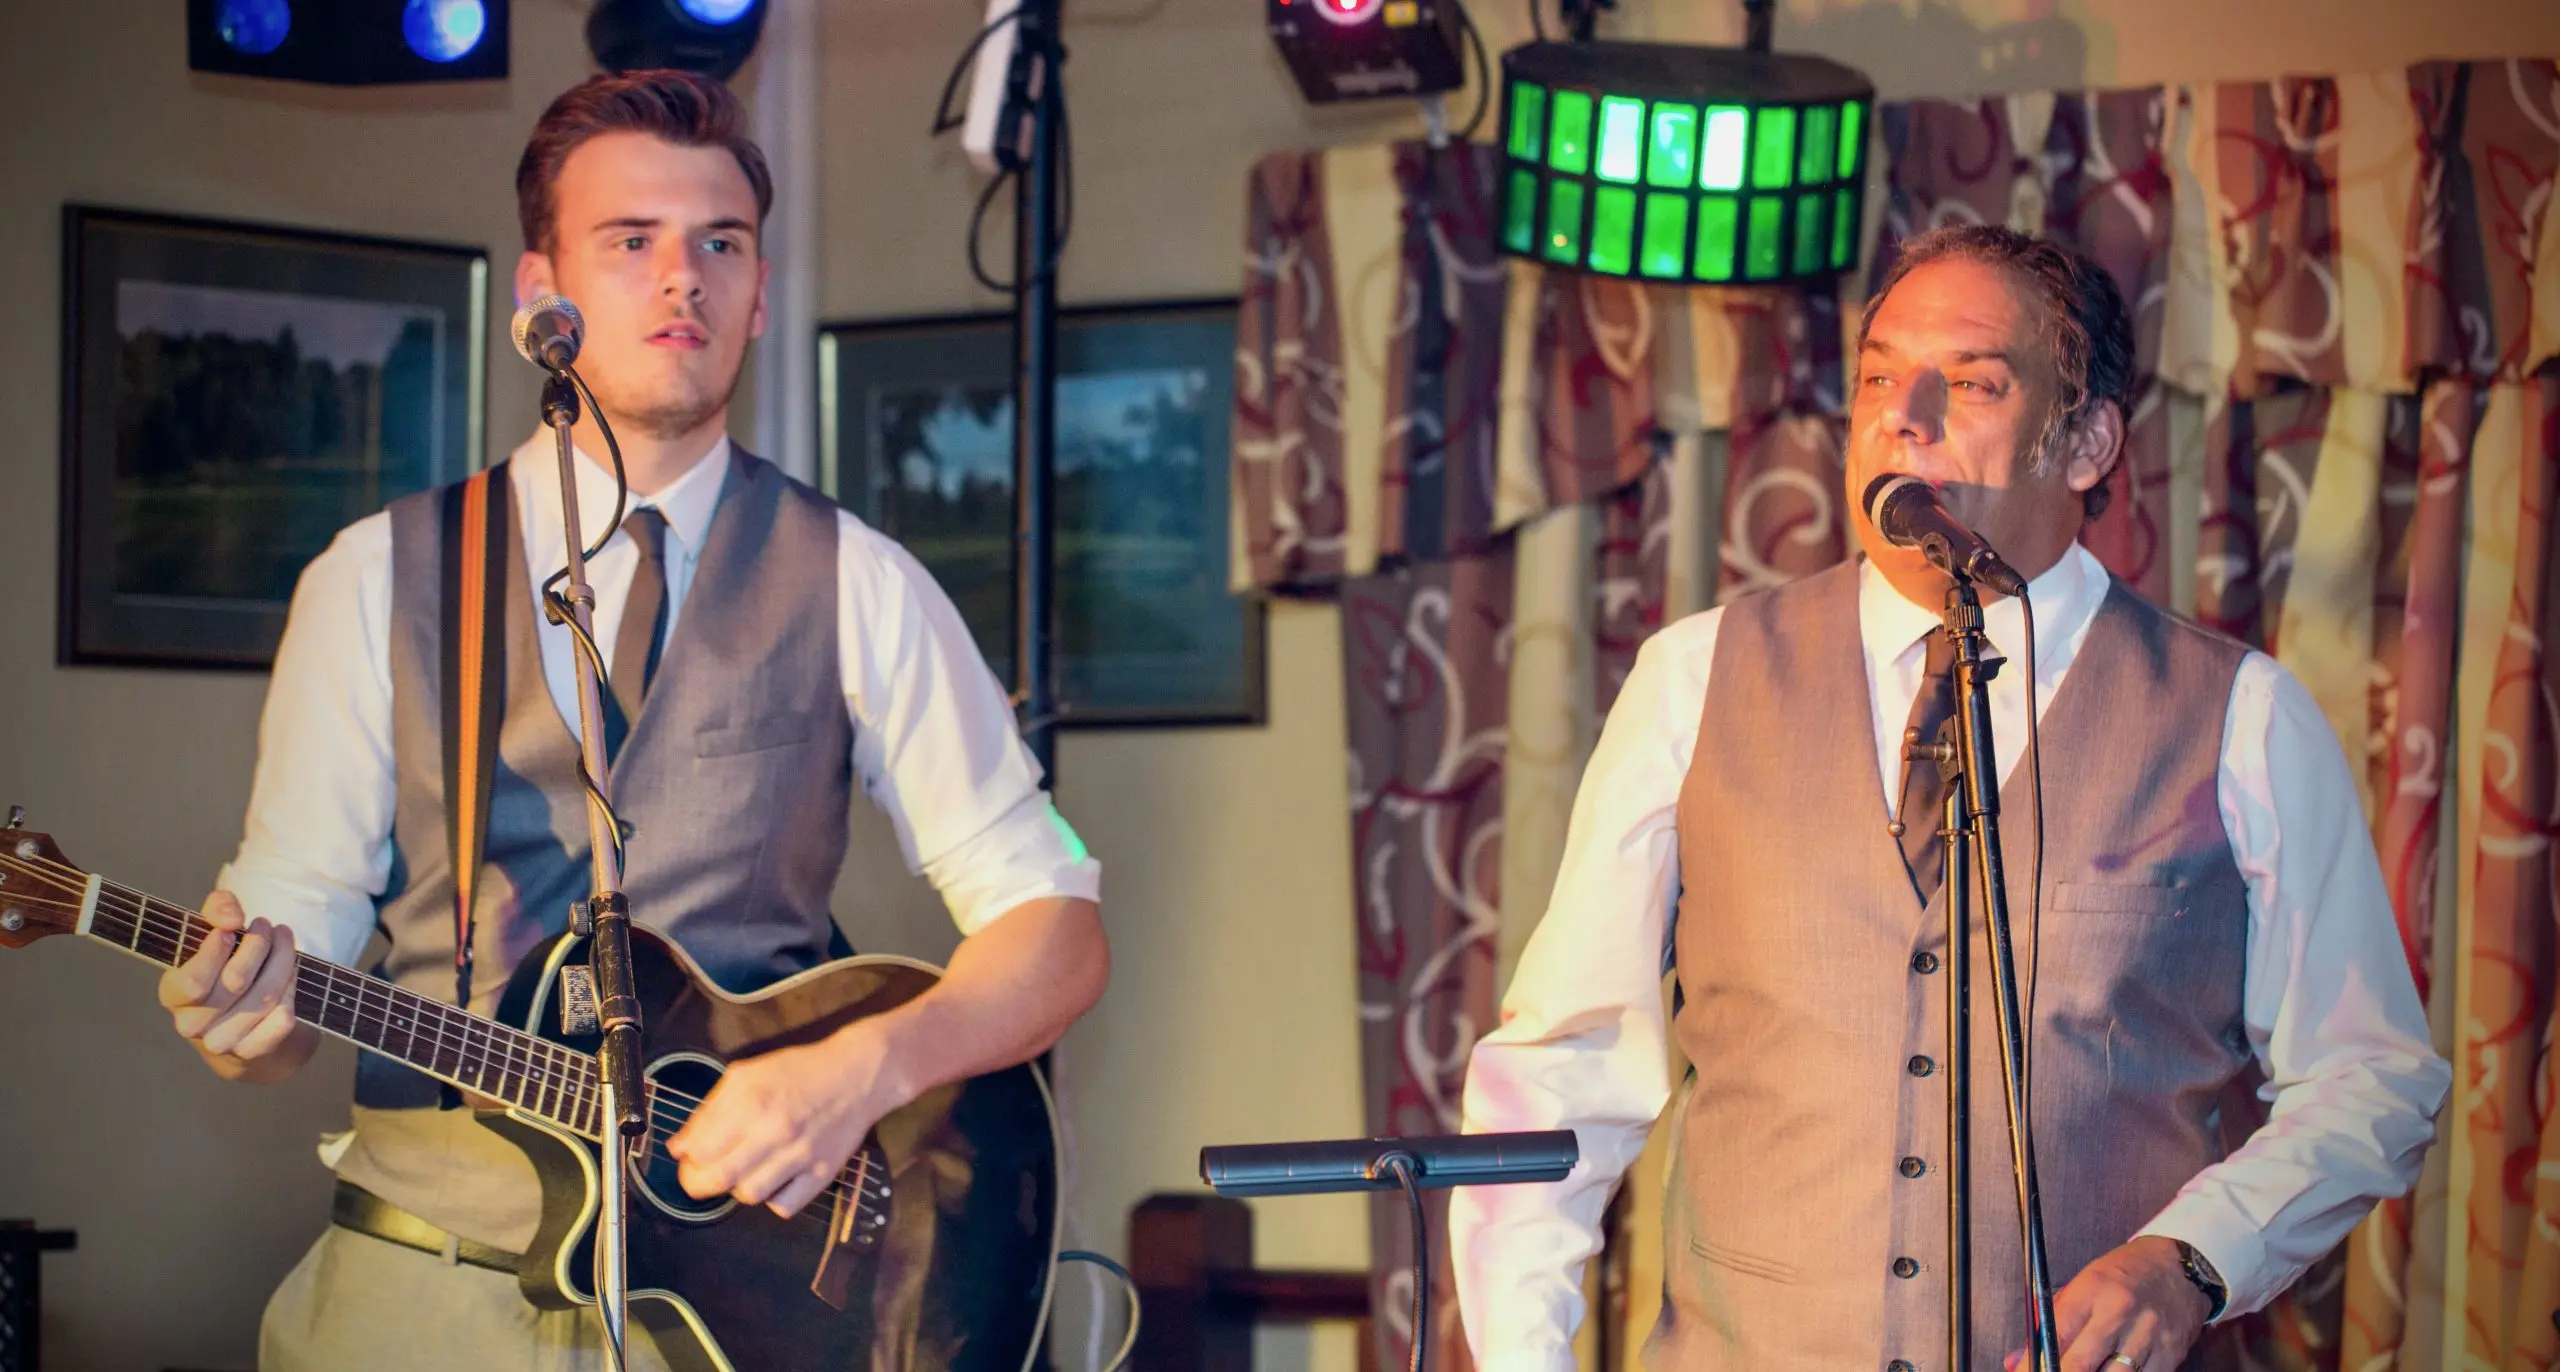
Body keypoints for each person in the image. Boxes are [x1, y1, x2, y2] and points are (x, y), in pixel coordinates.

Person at [151, 69, 1108, 1370]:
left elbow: (1054, 933)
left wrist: (867, 1069)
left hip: (752, 1304)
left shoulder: (860, 580)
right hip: (425, 1288)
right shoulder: (374, 577)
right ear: (539, 293)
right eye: (631, 242)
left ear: (761, 292)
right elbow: (282, 982)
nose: (684, 280)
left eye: (721, 243)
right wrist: (241, 1017)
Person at [1448, 225, 2448, 1372]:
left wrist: (2190, 1260)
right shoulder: (1694, 679)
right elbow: (1558, 1071)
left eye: (1969, 381)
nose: (1900, 414)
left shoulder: (2241, 718)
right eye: (1878, 375)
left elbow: (2370, 1072)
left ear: (2085, 442)